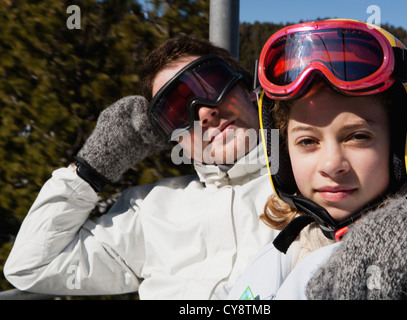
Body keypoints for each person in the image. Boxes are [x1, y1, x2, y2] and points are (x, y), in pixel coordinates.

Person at [4, 36, 277, 299]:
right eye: (178, 112)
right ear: (174, 139)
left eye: (212, 86)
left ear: (247, 90)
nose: (205, 113)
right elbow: (32, 267)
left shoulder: (307, 185)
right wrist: (91, 169)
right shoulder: (149, 211)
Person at [229, 19, 407, 300]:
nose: (332, 165)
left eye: (358, 137)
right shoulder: (284, 247)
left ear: (403, 141)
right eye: (307, 141)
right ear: (283, 151)